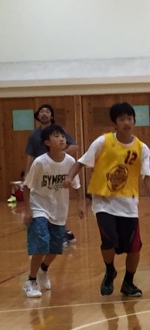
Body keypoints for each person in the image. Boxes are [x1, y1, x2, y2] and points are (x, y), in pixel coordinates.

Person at [64, 103, 150, 298]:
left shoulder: (142, 148)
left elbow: (147, 175)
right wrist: (69, 177)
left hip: (128, 204)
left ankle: (128, 283)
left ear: (134, 121)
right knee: (109, 239)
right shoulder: (103, 142)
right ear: (115, 123)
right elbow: (81, 163)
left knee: (134, 247)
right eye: (122, 119)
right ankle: (110, 270)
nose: (126, 122)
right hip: (103, 202)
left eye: (129, 118)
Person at [22, 125, 83, 298]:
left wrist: (80, 204)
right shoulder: (40, 162)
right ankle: (31, 281)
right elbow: (26, 187)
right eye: (56, 136)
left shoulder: (70, 162)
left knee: (56, 248)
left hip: (59, 209)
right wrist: (28, 210)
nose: (62, 139)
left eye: (62, 136)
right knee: (42, 242)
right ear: (47, 142)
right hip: (39, 206)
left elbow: (77, 186)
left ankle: (43, 269)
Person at [25, 104, 79, 245]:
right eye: (41, 111)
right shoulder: (34, 135)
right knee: (43, 203)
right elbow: (30, 154)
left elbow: (74, 146)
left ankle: (63, 232)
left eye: (47, 111)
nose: (44, 114)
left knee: (57, 202)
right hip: (41, 173)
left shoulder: (59, 131)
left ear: (52, 115)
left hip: (56, 171)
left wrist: (58, 153)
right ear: (38, 115)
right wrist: (27, 171)